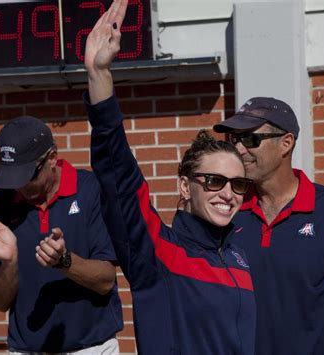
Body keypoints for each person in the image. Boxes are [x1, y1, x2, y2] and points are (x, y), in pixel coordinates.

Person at [83, 1, 256, 354]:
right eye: (214, 181)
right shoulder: (158, 252)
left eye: (238, 184)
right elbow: (120, 181)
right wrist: (99, 77)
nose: (228, 193)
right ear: (184, 186)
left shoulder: (239, 255)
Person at [213, 97, 324, 354]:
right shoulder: (227, 212)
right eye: (234, 140)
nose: (239, 149)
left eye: (250, 139)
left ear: (286, 143)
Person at [0, 115, 123, 354]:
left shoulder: (91, 190)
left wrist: (65, 262)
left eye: (27, 176)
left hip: (91, 348)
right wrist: (9, 263)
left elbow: (106, 281)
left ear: (52, 158)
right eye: (11, 177)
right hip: (26, 349)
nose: (19, 186)